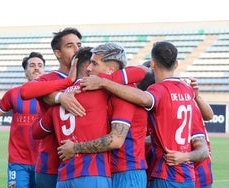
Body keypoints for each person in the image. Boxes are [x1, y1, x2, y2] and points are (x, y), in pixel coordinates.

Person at [79, 41, 209, 188]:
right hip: (186, 174)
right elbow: (207, 118)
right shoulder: (187, 91)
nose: (89, 68)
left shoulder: (158, 90)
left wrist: (104, 82)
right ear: (176, 64)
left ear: (153, 64)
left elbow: (143, 97)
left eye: (94, 64)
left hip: (162, 171)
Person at [32, 46, 147, 188]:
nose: (89, 68)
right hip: (102, 171)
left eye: (94, 64)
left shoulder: (122, 94)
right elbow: (142, 71)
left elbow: (36, 131)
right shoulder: (99, 92)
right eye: (89, 63)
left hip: (125, 170)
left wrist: (52, 98)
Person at [20, 27, 83, 188]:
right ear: (57, 53)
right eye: (70, 46)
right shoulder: (49, 79)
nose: (77, 49)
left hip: (80, 163)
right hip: (50, 165)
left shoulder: (89, 78)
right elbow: (25, 91)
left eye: (79, 44)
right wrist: (66, 84)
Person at [0, 52, 45, 188]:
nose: (36, 68)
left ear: (44, 70)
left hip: (43, 161)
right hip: (18, 161)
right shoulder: (13, 94)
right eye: (32, 65)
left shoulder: (52, 96)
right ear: (25, 71)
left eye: (40, 65)